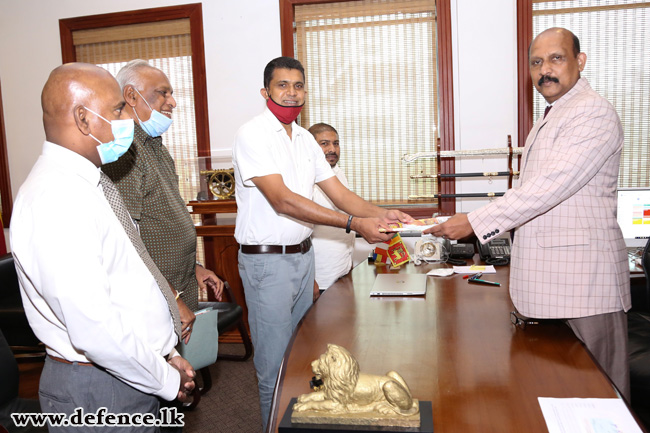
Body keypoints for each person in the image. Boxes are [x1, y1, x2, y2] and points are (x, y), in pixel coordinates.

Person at [426, 27, 631, 400]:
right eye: (536, 62)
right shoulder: (553, 116)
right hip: (552, 285)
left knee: (600, 402)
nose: (544, 70)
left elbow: (549, 187)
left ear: (580, 61)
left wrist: (474, 222)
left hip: (583, 287)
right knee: (559, 398)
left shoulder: (592, 113)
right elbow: (529, 193)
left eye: (556, 58)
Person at [10, 63, 195, 431]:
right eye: (117, 109)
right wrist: (167, 381)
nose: (127, 116)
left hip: (126, 373)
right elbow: (95, 327)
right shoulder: (56, 199)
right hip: (99, 388)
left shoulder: (88, 182)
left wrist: (165, 354)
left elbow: (129, 281)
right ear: (83, 118)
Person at [232, 56, 413, 429]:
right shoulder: (253, 134)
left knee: (303, 360)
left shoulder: (303, 139)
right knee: (275, 367)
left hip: (303, 257)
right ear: (265, 91)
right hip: (268, 264)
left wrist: (384, 214)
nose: (291, 92)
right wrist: (354, 224)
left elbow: (339, 193)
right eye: (283, 85)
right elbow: (283, 200)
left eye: (298, 85)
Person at [103, 60, 224, 322]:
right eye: (163, 93)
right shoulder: (126, 153)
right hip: (155, 296)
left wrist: (194, 267)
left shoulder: (155, 146)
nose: (172, 102)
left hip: (179, 283)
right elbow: (126, 240)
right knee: (164, 362)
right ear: (131, 96)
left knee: (185, 362)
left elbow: (160, 217)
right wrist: (173, 298)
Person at [308, 123, 355, 300]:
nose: (332, 149)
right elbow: (301, 232)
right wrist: (309, 280)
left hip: (342, 270)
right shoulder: (307, 178)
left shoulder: (337, 173)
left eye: (336, 143)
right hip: (320, 278)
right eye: (325, 144)